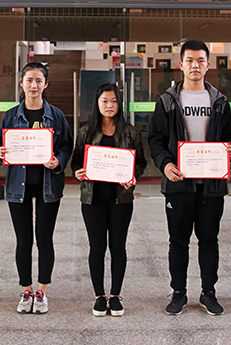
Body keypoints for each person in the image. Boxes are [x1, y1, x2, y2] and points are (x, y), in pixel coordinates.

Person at [148, 39, 231, 316]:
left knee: (209, 241)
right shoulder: (167, 101)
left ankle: (209, 293)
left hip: (211, 186)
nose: (195, 65)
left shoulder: (219, 102)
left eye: (200, 60)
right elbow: (155, 139)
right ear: (181, 64)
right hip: (179, 185)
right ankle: (179, 293)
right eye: (190, 60)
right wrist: (165, 165)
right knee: (178, 241)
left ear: (208, 65)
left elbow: (229, 137)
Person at [0, 62, 73, 315]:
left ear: (46, 84)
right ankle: (26, 289)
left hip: (48, 185)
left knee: (44, 238)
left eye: (39, 80)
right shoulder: (10, 115)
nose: (33, 85)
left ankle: (42, 290)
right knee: (23, 239)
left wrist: (58, 161)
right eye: (29, 80)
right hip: (18, 185)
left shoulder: (56, 116)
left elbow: (66, 146)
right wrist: (1, 152)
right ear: (21, 83)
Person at [70, 84, 148, 317]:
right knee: (96, 248)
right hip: (92, 199)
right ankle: (99, 296)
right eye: (104, 101)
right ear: (97, 103)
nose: (109, 105)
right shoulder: (85, 132)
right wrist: (77, 172)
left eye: (113, 101)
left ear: (119, 104)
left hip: (120, 200)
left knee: (118, 247)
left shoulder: (130, 132)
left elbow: (141, 162)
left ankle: (115, 296)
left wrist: (133, 176)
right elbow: (76, 161)